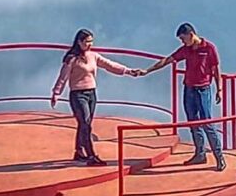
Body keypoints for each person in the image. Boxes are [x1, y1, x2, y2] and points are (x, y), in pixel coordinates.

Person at [133, 23, 226, 171]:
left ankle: (219, 156)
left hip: (203, 90)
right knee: (193, 123)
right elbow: (168, 60)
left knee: (208, 123)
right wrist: (147, 70)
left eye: (183, 39)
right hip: (189, 89)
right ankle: (200, 154)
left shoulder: (209, 48)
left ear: (191, 34)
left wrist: (219, 89)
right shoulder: (186, 50)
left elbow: (216, 69)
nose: (182, 42)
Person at [51, 28, 134, 166]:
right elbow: (63, 77)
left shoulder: (93, 56)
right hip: (77, 95)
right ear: (79, 42)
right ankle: (91, 156)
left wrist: (128, 71)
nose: (90, 44)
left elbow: (109, 65)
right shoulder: (71, 59)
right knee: (85, 124)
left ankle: (79, 151)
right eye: (87, 42)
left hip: (91, 94)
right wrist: (56, 93)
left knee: (85, 124)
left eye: (91, 41)